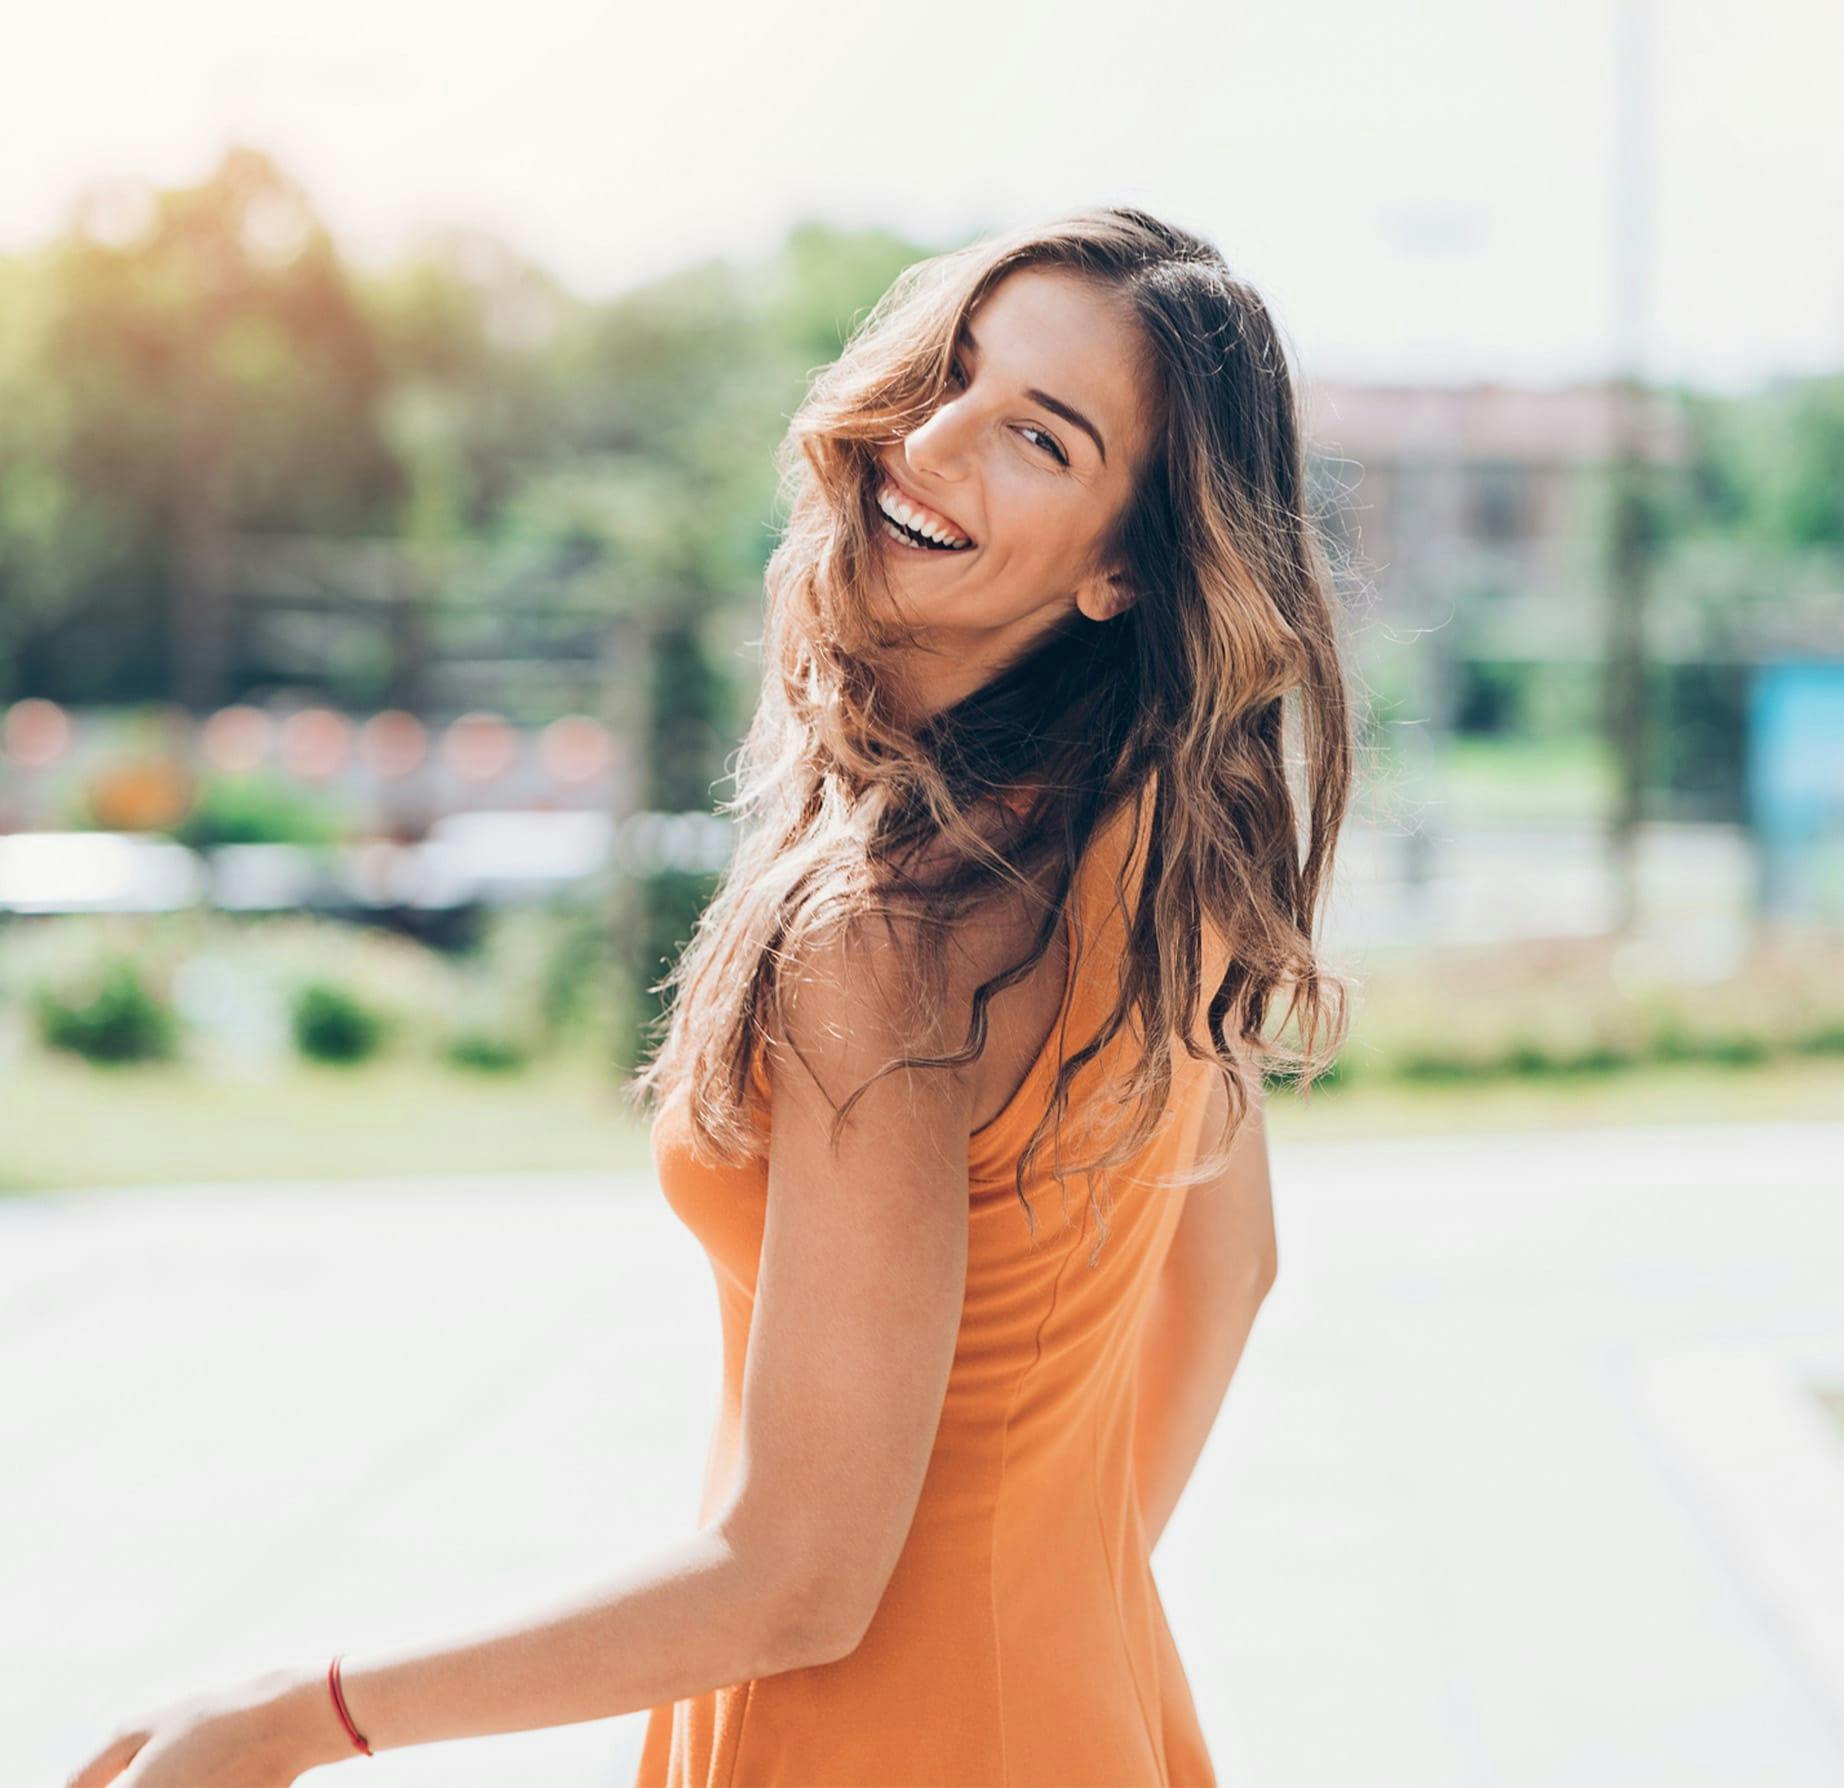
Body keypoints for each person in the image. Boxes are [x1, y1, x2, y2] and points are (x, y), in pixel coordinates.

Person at [65, 205, 1353, 1788]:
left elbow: (797, 1583)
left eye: (1038, 436)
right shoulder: (1159, 862)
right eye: (952, 368)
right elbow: (1234, 1277)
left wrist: (293, 1717)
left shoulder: (888, 939)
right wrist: (1030, 1602)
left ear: (1123, 576)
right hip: (1082, 1707)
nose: (930, 442)